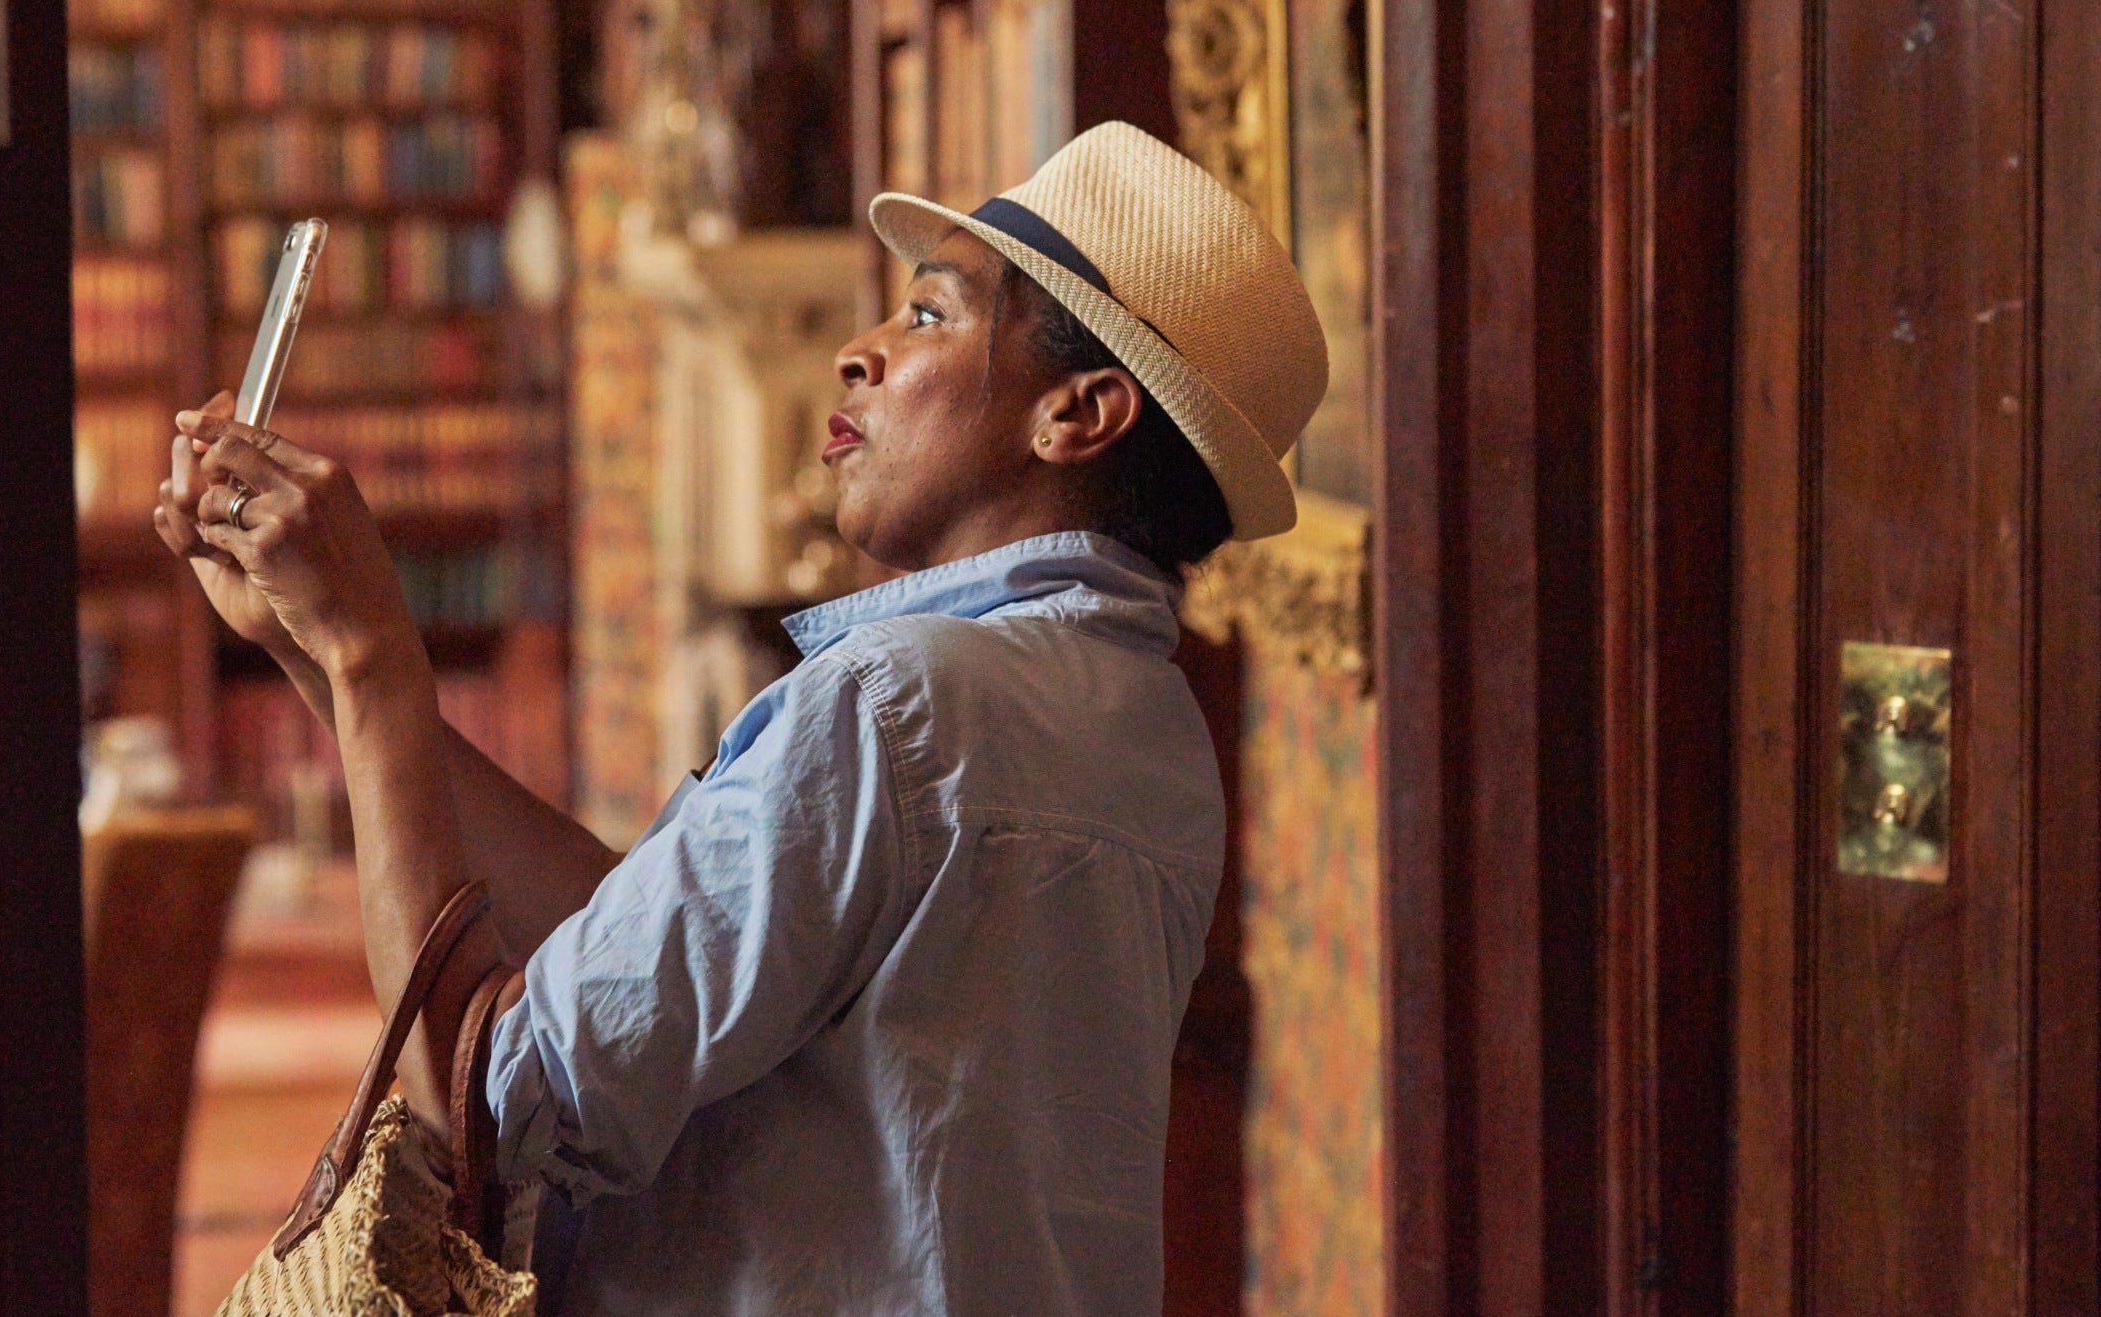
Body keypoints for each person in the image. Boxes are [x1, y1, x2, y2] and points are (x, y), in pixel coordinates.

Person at [153, 121, 1329, 1315]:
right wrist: (315, 658)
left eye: (929, 316)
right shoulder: (1144, 722)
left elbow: (499, 1105)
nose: (856, 356)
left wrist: (371, 662)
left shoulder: (895, 703)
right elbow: (647, 943)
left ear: (1077, 416)